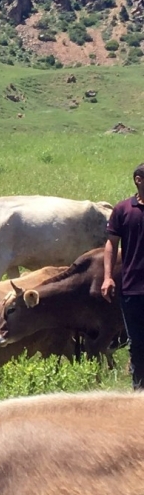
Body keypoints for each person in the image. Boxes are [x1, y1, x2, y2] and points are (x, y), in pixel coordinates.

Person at [102, 162, 144, 390]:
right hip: (133, 288)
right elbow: (111, 244)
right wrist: (108, 277)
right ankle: (139, 395)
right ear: (139, 180)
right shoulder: (122, 210)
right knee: (137, 344)